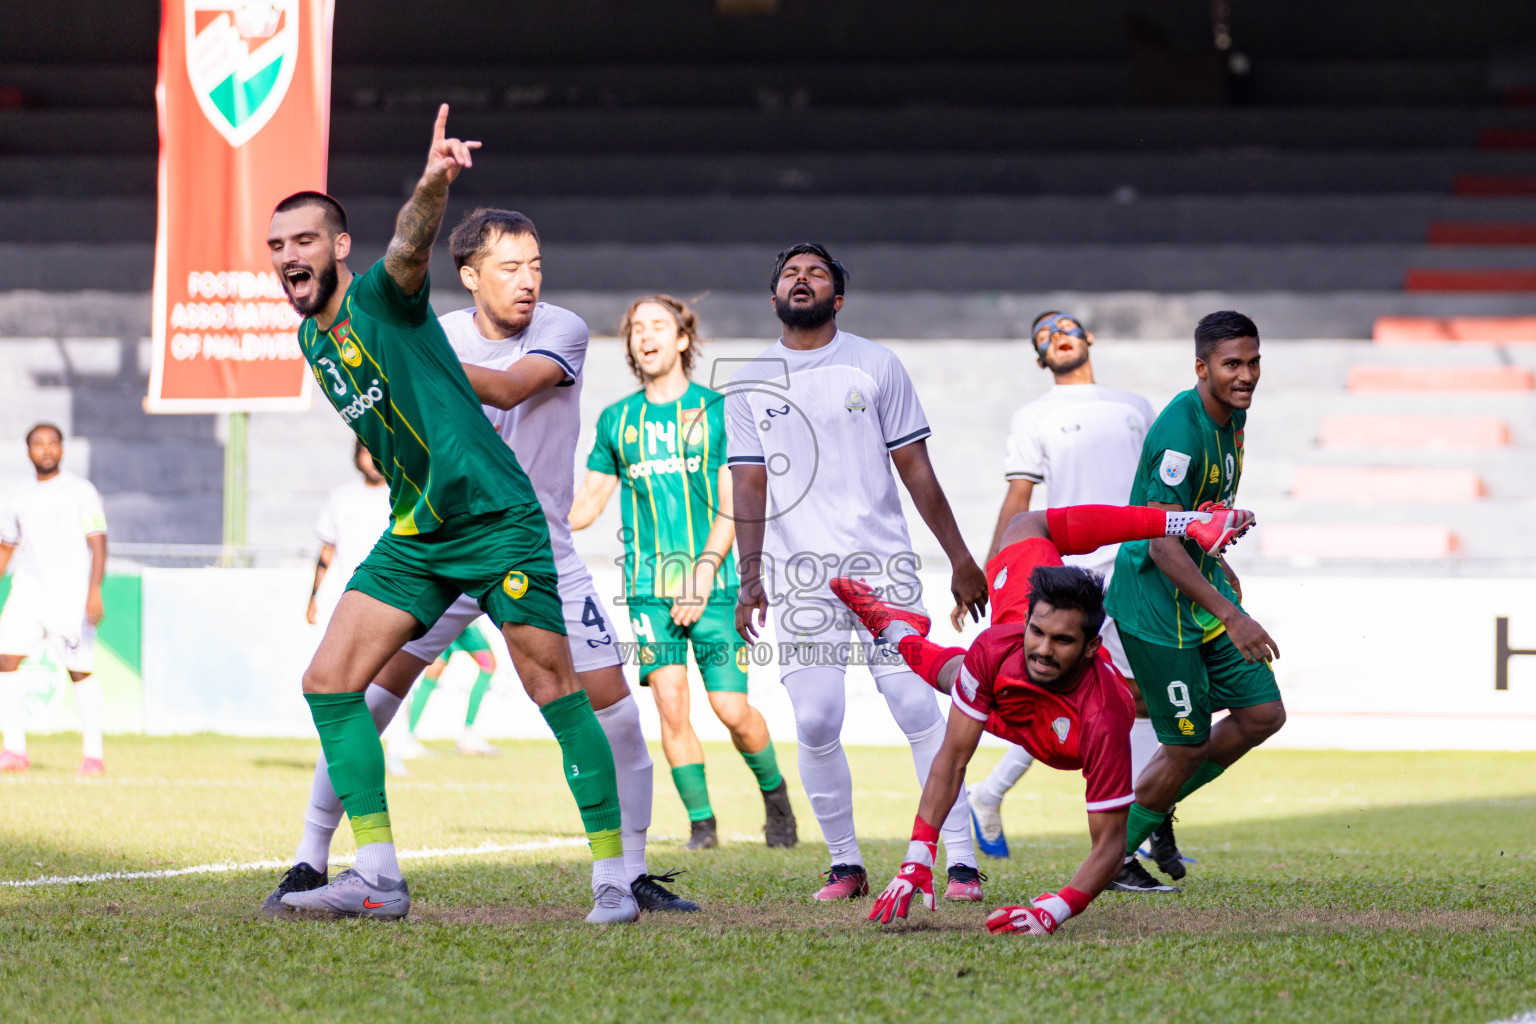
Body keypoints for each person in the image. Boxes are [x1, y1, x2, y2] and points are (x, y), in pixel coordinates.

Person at [263, 107, 632, 923]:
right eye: (278, 245)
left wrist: (433, 182)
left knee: (552, 686)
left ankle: (613, 879)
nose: (290, 255)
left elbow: (408, 244)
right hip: (419, 532)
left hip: (496, 518)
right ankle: (376, 876)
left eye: (306, 240)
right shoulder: (313, 343)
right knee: (329, 683)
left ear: (339, 247)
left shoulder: (381, 297)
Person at [833, 501, 1254, 933]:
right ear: (1027, 622)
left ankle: (897, 629)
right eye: (1036, 632)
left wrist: (1054, 910)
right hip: (1009, 704)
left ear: (1091, 647)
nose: (1043, 650)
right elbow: (953, 758)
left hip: (1065, 738)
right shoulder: (998, 646)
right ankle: (896, 629)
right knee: (1019, 535)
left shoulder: (1104, 716)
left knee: (966, 674)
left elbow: (1111, 845)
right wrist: (917, 856)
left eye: (1063, 640)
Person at [727, 242, 988, 901]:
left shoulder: (876, 364)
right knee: (817, 718)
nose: (802, 279)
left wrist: (960, 558)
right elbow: (749, 484)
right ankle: (845, 865)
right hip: (799, 578)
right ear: (773, 297)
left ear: (837, 298)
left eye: (816, 273)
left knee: (914, 704)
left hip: (883, 568)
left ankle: (961, 860)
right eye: (790, 273)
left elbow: (916, 469)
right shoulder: (748, 381)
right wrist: (749, 578)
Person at [571, 294, 797, 851]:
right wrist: (525, 513)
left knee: (731, 709)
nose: (645, 335)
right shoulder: (616, 420)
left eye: (657, 325)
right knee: (671, 706)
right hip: (648, 590)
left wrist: (702, 572)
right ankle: (702, 826)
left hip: (713, 586)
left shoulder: (717, 411)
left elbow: (733, 504)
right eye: (636, 328)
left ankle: (777, 801)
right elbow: (587, 504)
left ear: (681, 338)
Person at [969, 311, 1169, 868]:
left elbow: (1160, 486)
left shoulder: (1136, 406)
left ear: (1088, 338)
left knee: (1139, 700)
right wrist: (989, 570)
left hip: (1139, 568)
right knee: (1090, 696)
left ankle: (1136, 829)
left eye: (1064, 326)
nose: (1055, 335)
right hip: (1079, 578)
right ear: (1040, 358)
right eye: (1042, 335)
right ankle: (1134, 834)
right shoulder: (1034, 415)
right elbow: (1019, 500)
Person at [1103, 310, 1284, 892]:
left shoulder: (1233, 417)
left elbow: (1195, 519)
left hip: (1197, 595)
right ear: (1202, 368)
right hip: (1157, 609)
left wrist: (1218, 558)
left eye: (1253, 362)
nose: (1246, 375)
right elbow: (1161, 544)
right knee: (1186, 744)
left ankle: (1154, 804)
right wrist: (1233, 615)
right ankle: (1110, 859)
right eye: (1232, 364)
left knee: (1262, 714)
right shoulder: (1181, 433)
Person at [0, 423, 109, 776]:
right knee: (5, 660)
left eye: (52, 443)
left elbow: (98, 542)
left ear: (62, 449)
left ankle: (93, 756)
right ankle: (14, 750)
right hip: (27, 593)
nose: (46, 449)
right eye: (38, 443)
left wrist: (94, 589)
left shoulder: (81, 491)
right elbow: (6, 548)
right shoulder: (17, 497)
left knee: (80, 671)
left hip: (69, 596)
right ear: (28, 451)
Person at [399, 620, 501, 757]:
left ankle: (406, 737)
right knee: (488, 665)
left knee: (433, 672)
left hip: (442, 619)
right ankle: (468, 735)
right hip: (462, 618)